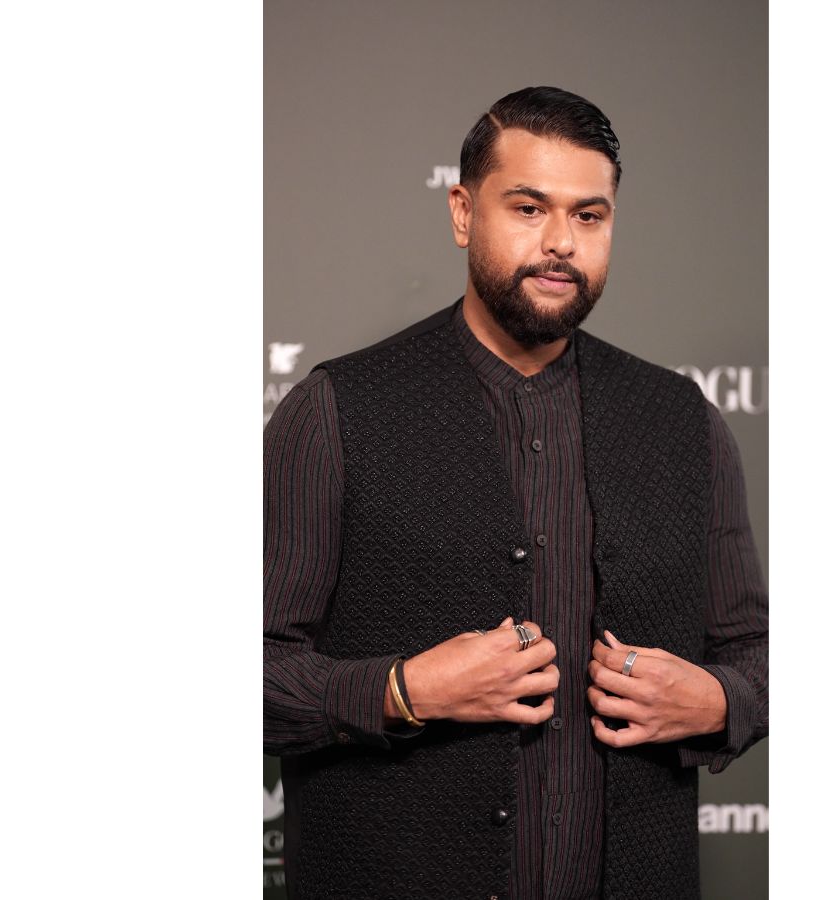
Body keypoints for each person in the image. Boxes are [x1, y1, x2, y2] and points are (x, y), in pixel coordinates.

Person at [263, 86, 768, 900]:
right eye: (529, 208)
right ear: (463, 214)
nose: (561, 242)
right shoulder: (335, 412)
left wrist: (717, 700)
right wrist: (403, 691)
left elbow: (758, 653)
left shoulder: (684, 421)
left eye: (589, 216)